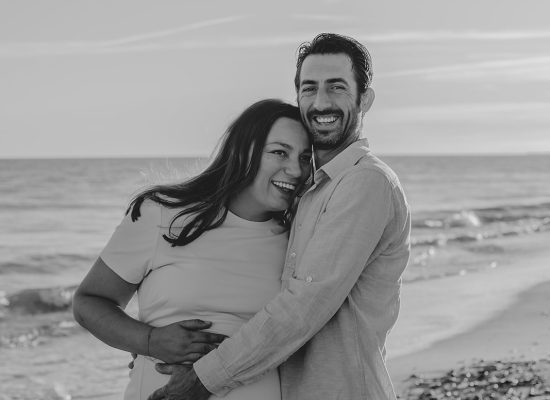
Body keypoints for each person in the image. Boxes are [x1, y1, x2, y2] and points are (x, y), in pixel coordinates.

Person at [149, 33, 411, 400]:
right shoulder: (307, 189)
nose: (321, 102)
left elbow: (305, 304)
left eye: (337, 87)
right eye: (309, 88)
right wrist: (162, 345)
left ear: (364, 99)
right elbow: (266, 297)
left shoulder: (365, 182)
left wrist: (201, 380)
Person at [72, 99, 313, 400]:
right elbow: (89, 302)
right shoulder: (163, 214)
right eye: (280, 152)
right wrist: (149, 340)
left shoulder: (299, 240)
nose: (296, 169)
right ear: (243, 151)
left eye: (305, 158)